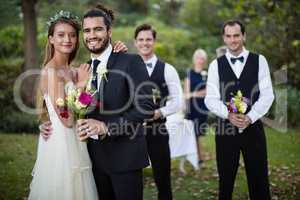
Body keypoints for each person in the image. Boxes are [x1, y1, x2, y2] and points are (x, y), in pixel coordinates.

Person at [39, 5, 154, 200]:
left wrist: (106, 127)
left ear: (109, 31)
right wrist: (47, 122)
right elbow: (65, 106)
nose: (92, 35)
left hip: (124, 160)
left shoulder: (130, 61)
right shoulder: (83, 70)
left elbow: (146, 107)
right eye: (87, 30)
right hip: (90, 160)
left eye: (98, 29)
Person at [28, 10, 98, 200]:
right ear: (51, 39)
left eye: (72, 35)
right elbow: (67, 120)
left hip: (76, 140)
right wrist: (82, 85)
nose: (67, 39)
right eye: (61, 35)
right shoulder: (51, 72)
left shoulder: (72, 70)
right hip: (62, 143)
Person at [205, 20, 274, 200]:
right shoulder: (215, 65)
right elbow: (210, 99)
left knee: (259, 179)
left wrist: (250, 117)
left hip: (254, 130)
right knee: (225, 181)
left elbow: (267, 95)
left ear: (243, 36)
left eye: (236, 35)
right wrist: (228, 115)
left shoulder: (260, 60)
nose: (233, 40)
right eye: (228, 36)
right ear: (224, 38)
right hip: (226, 130)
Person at [134, 23, 183, 200]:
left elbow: (178, 101)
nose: (144, 43)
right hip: (131, 131)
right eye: (141, 39)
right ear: (135, 42)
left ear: (154, 42)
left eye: (148, 39)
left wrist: (159, 112)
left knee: (162, 178)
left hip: (158, 130)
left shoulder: (168, 69)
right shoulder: (127, 68)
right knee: (132, 180)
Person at [184, 48, 209, 166]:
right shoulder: (189, 73)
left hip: (202, 108)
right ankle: (198, 158)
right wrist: (194, 95)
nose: (200, 60)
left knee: (197, 134)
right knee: (192, 134)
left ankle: (198, 158)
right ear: (195, 59)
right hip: (191, 108)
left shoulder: (207, 74)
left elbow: (208, 91)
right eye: (198, 58)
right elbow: (186, 93)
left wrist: (193, 94)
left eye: (203, 58)